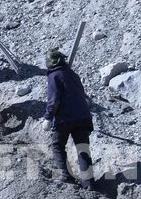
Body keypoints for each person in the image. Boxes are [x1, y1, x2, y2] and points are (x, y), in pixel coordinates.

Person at [42, 48, 94, 189]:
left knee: (57, 146)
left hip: (65, 118)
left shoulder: (54, 76)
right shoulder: (72, 74)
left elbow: (53, 100)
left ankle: (64, 176)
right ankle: (88, 183)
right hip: (83, 116)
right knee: (82, 148)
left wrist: (48, 118)